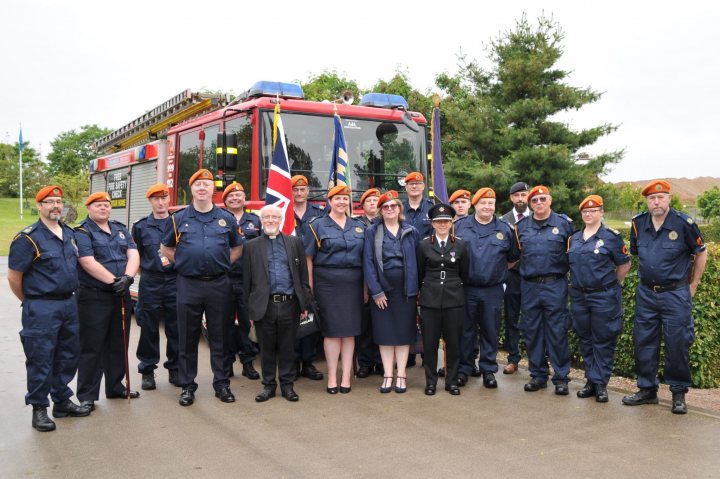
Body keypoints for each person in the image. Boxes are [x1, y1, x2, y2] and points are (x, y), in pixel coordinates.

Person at [8, 185, 91, 432]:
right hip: (41, 307)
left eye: (58, 201)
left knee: (67, 356)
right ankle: (39, 409)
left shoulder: (68, 233)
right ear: (39, 206)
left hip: (68, 303)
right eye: (49, 202)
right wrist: (31, 301)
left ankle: (62, 401)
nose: (55, 205)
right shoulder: (28, 238)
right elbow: (14, 278)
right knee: (41, 359)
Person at [622, 180, 707, 414]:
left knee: (677, 343)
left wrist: (694, 284)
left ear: (669, 198)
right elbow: (638, 254)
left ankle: (678, 394)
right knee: (644, 342)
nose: (656, 202)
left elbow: (701, 253)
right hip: (647, 294)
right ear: (647, 201)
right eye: (651, 198)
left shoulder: (684, 223)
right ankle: (647, 390)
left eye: (661, 197)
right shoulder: (638, 224)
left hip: (675, 295)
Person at [160, 169, 243, 407]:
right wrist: (186, 264)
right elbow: (166, 248)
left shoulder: (226, 218)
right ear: (192, 189)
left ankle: (222, 384)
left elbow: (238, 248)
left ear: (213, 189)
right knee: (187, 336)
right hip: (188, 283)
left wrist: (222, 264)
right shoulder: (177, 219)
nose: (202, 188)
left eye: (207, 184)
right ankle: (187, 386)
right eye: (198, 185)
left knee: (221, 336)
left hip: (219, 284)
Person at [75, 191, 141, 410]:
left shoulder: (120, 229)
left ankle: (115, 387)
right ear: (89, 208)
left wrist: (128, 278)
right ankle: (87, 396)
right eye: (98, 205)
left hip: (119, 296)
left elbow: (133, 254)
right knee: (92, 347)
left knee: (118, 344)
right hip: (94, 297)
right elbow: (87, 261)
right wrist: (115, 281)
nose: (103, 208)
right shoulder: (82, 232)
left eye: (106, 204)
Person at [243, 205, 314, 403]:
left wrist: (304, 304)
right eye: (267, 217)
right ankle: (268, 385)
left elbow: (302, 277)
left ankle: (287, 385)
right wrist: (248, 310)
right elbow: (246, 281)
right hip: (263, 305)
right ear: (261, 221)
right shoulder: (251, 246)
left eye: (275, 217)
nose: (271, 221)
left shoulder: (295, 242)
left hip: (289, 304)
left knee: (288, 347)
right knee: (266, 348)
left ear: (281, 220)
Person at [568, 195, 631, 403]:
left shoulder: (611, 237)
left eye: (593, 210)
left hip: (603, 296)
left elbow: (624, 265)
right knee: (585, 339)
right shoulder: (575, 238)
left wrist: (612, 285)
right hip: (579, 295)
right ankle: (590, 381)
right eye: (585, 211)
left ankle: (601, 383)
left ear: (601, 212)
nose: (588, 214)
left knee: (603, 339)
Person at [455, 188, 520, 389]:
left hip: (492, 290)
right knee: (465, 331)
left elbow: (513, 258)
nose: (487, 207)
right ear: (474, 205)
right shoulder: (459, 226)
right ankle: (464, 369)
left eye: (490, 203)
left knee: (490, 331)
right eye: (483, 203)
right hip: (466, 288)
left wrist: (495, 271)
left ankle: (488, 370)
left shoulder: (505, 229)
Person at [513, 185, 573, 395]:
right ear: (530, 204)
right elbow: (515, 256)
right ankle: (538, 375)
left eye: (542, 199)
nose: (539, 203)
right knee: (532, 331)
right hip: (529, 286)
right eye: (535, 200)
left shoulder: (564, 225)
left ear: (550, 200)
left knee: (557, 331)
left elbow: (573, 255)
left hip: (554, 284)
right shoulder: (521, 227)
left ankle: (561, 377)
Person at [306, 185, 366, 394]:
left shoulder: (359, 226)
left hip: (353, 282)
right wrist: (310, 286)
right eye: (337, 198)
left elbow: (366, 260)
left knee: (349, 332)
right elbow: (309, 259)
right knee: (331, 332)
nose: (341, 202)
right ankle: (332, 375)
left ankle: (346, 375)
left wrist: (366, 288)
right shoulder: (317, 225)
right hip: (327, 283)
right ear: (329, 202)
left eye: (345, 199)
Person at [363, 190, 421, 393]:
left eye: (393, 206)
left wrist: (418, 289)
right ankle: (388, 374)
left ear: (399, 209)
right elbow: (368, 263)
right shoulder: (372, 231)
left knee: (404, 334)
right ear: (380, 211)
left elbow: (418, 262)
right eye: (385, 207)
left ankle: (401, 375)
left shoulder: (411, 231)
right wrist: (376, 291)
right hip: (383, 291)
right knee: (385, 334)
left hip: (406, 291)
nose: (390, 209)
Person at [416, 204, 469, 396]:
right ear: (432, 223)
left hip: (454, 300)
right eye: (438, 221)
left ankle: (451, 381)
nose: (442, 224)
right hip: (430, 300)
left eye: (446, 221)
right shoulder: (423, 245)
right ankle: (431, 382)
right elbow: (420, 271)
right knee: (430, 344)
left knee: (453, 343)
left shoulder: (460, 244)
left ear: (451, 222)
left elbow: (465, 272)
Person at [132, 183, 179, 391]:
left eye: (164, 198)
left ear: (169, 199)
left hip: (175, 281)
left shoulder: (179, 222)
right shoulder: (141, 226)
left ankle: (175, 369)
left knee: (176, 327)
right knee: (149, 327)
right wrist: (149, 272)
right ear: (150, 201)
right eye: (156, 199)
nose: (160, 203)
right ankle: (148, 370)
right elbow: (135, 256)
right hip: (151, 281)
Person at [222, 182, 261, 381]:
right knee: (224, 323)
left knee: (248, 323)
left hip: (248, 280)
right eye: (231, 196)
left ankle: (248, 363)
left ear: (244, 199)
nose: (236, 198)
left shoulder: (255, 221)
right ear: (225, 200)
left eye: (239, 195)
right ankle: (227, 364)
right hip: (224, 279)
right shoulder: (217, 219)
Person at [291, 174, 324, 381]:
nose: (299, 193)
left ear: (308, 192)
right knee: (292, 317)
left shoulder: (319, 214)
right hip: (289, 270)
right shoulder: (283, 212)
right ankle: (293, 363)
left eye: (302, 190)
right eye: (295, 190)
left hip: (314, 268)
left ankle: (308, 362)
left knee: (311, 315)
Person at [402, 171, 433, 368]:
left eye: (418, 184)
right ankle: (410, 353)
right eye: (410, 184)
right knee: (407, 311)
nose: (414, 187)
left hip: (427, 267)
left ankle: (428, 353)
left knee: (427, 312)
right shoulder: (398, 209)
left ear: (423, 187)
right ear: (405, 188)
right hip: (404, 267)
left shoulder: (431, 209)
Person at [500, 181, 530, 374]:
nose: (520, 199)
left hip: (534, 277)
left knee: (535, 319)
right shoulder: (503, 220)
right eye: (517, 195)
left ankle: (538, 360)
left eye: (524, 195)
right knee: (511, 318)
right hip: (512, 277)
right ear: (511, 198)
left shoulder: (537, 217)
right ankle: (513, 358)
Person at [356, 188, 383, 378]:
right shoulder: (356, 225)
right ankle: (365, 363)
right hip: (361, 279)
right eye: (369, 201)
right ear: (363, 205)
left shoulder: (386, 224)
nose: (373, 203)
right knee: (365, 326)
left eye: (376, 200)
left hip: (381, 281)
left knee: (381, 325)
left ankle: (381, 362)